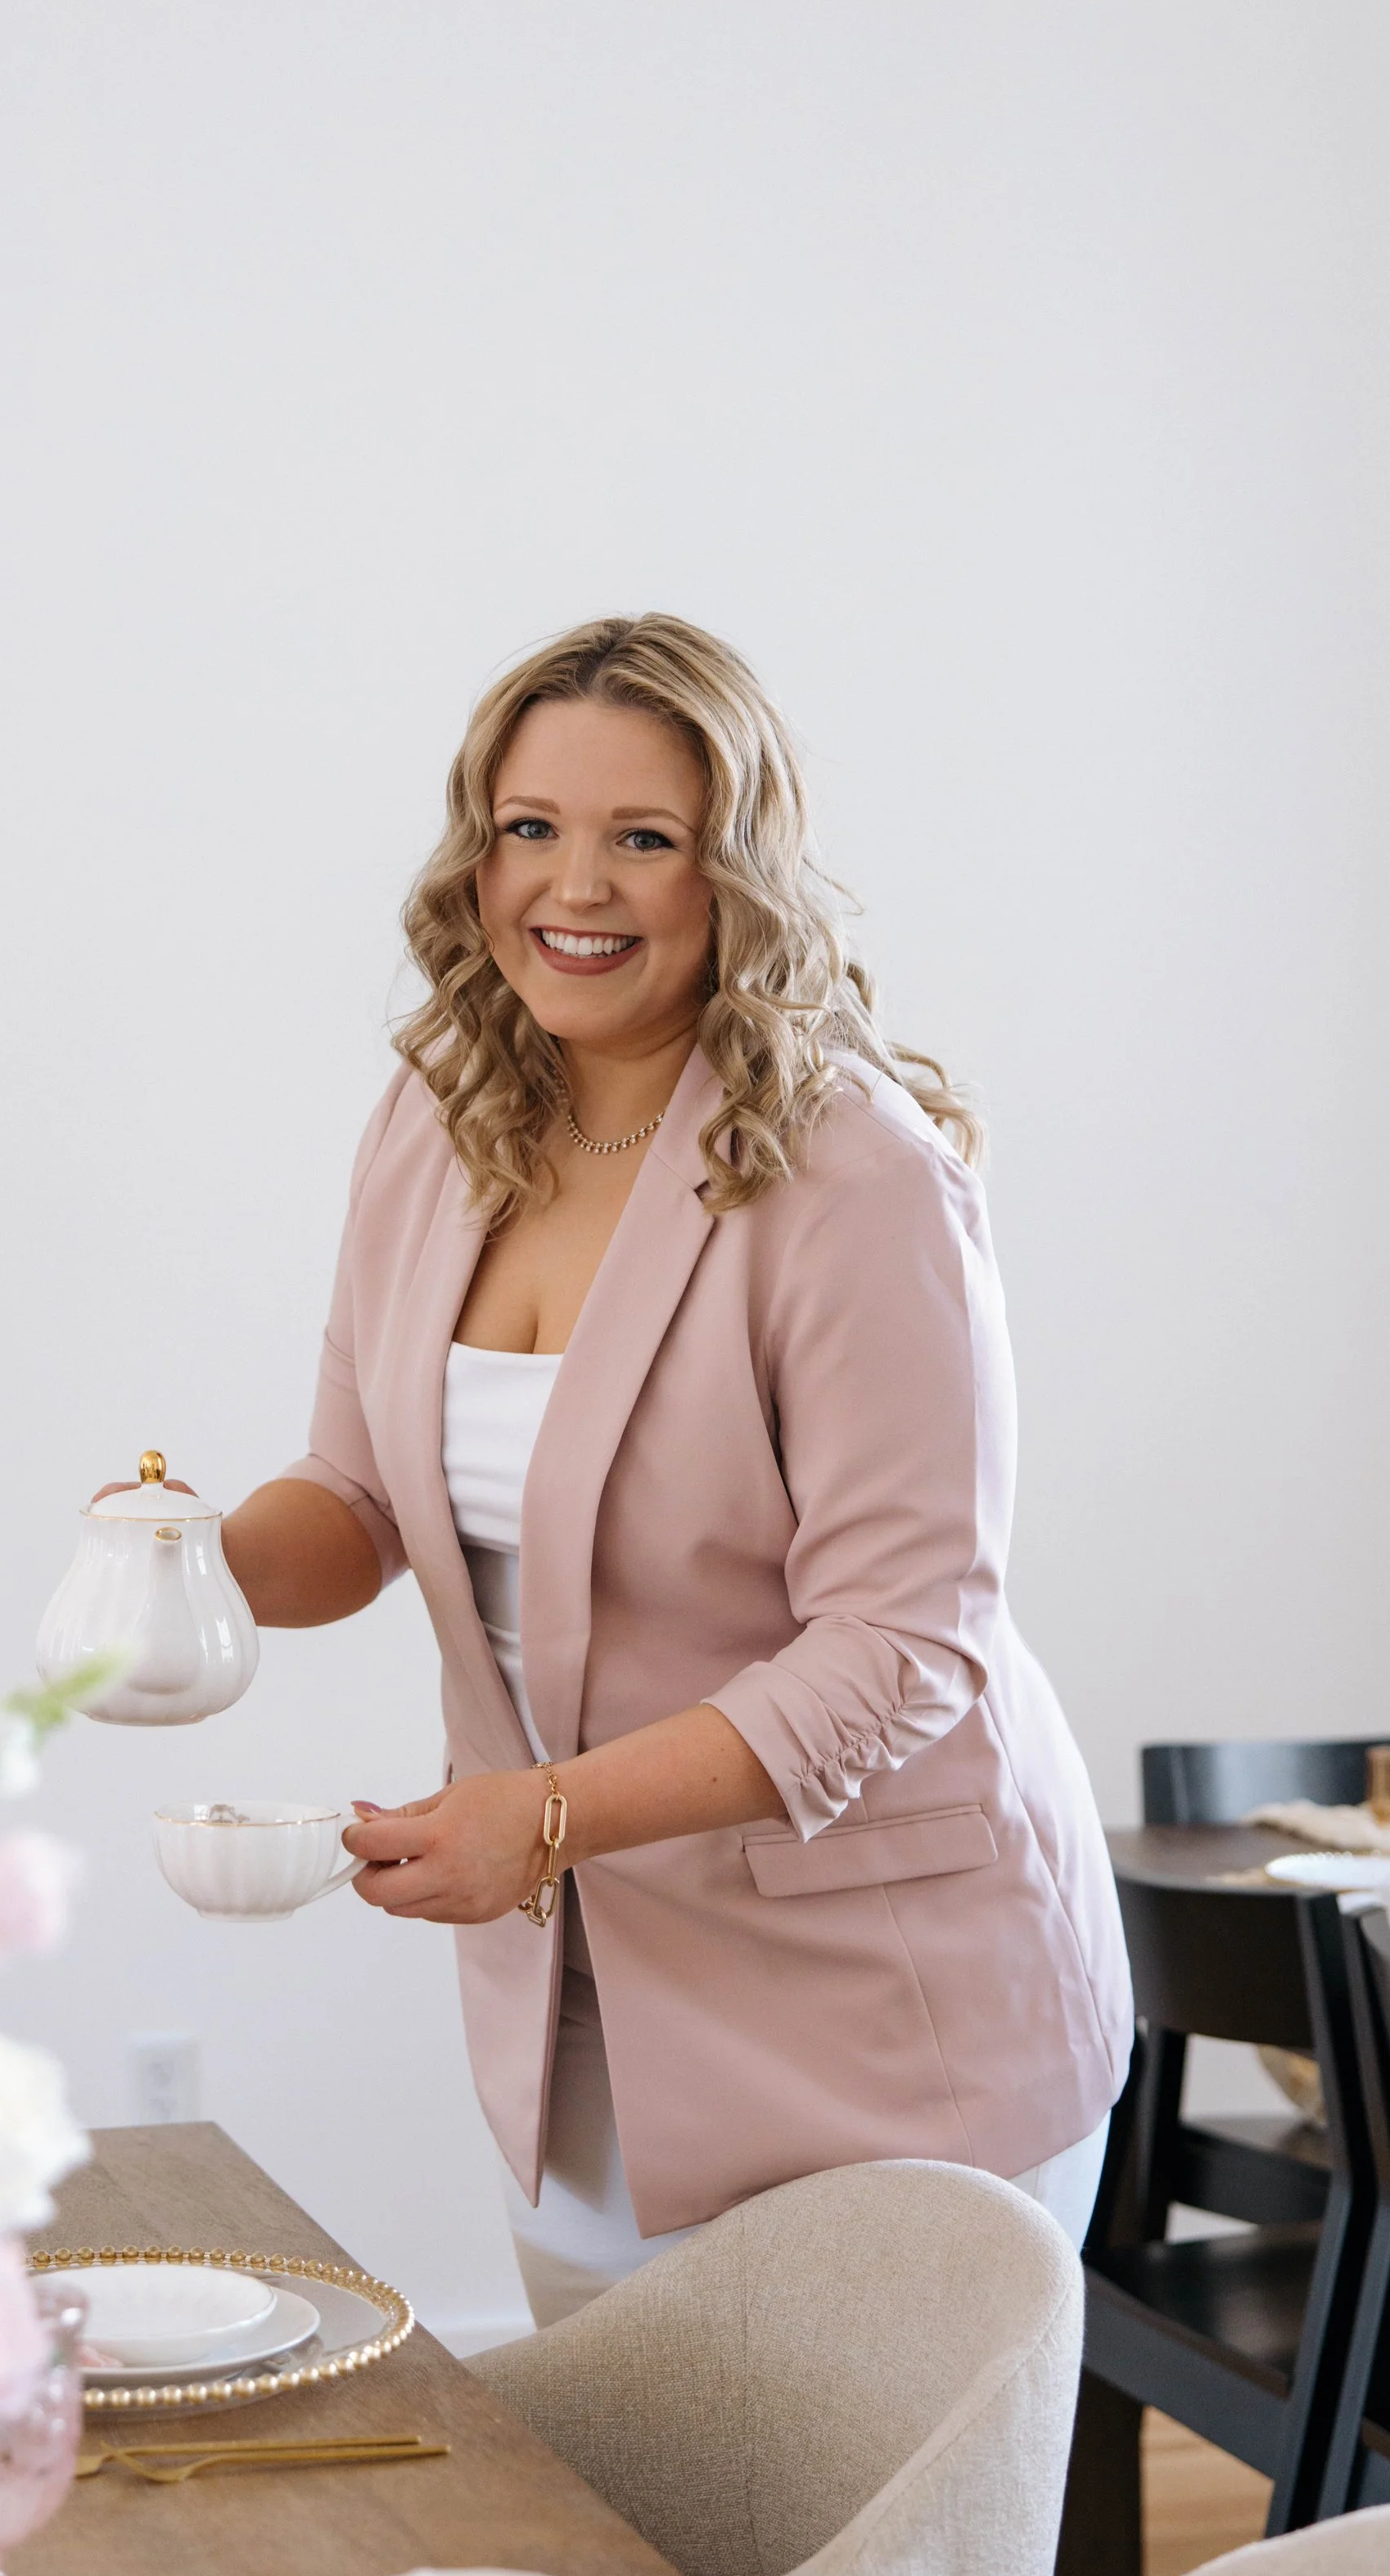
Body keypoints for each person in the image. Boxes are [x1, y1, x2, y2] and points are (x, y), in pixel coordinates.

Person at [216, 614, 1131, 2326]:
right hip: (569, 2023)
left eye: (645, 837)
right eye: (528, 827)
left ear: (737, 871)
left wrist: (543, 1818)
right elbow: (354, 1499)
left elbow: (902, 1646)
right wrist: (187, 1567)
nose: (576, 884)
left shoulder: (853, 1176)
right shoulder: (435, 1119)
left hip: (878, 2028)